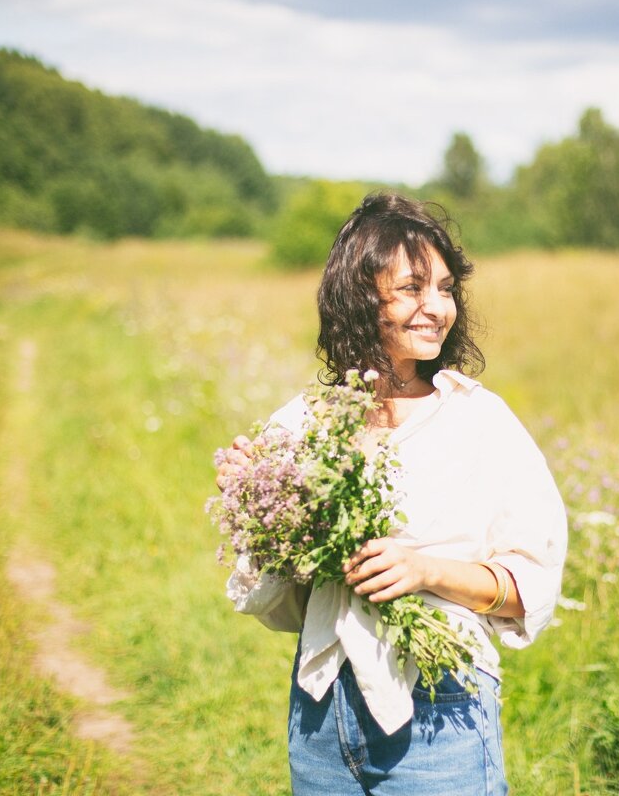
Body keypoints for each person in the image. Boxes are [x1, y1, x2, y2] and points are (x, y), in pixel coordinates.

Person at [216, 192, 566, 795]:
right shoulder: (306, 422)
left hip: (442, 708)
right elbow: (277, 606)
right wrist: (258, 507)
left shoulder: (480, 422)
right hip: (322, 710)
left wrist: (426, 570)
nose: (437, 308)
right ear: (359, 298)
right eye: (411, 289)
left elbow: (527, 589)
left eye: (446, 289)